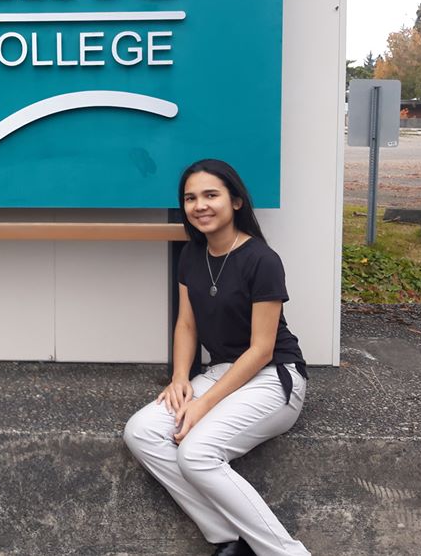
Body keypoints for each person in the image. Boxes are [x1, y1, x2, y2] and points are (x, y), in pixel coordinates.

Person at [123, 159, 311, 556]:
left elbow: (261, 349)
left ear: (236, 201)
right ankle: (226, 536)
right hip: (222, 372)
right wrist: (179, 380)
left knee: (197, 453)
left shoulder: (262, 260)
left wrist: (203, 403)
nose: (199, 205)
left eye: (211, 195)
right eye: (190, 198)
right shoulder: (191, 255)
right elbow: (186, 326)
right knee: (140, 431)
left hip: (274, 376)